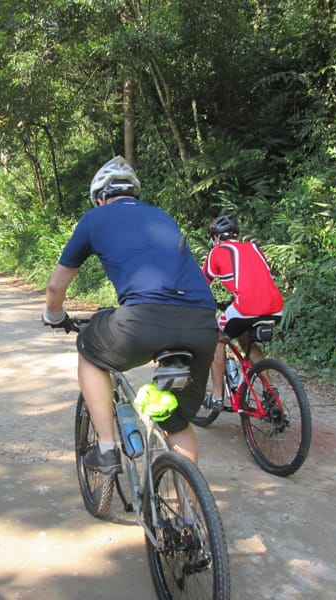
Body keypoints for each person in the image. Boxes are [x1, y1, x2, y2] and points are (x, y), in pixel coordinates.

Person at [42, 156, 218, 475]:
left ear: (100, 198)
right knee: (176, 421)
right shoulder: (162, 216)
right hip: (203, 323)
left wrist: (54, 316)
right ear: (133, 193)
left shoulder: (95, 219)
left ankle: (106, 449)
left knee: (89, 350)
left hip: (142, 321)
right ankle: (188, 506)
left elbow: (56, 287)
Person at [202, 215, 284, 410]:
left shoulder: (217, 252)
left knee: (217, 340)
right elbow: (256, 281)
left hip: (246, 305)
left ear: (216, 237)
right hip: (276, 306)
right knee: (246, 341)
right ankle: (270, 392)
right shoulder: (255, 248)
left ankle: (217, 397)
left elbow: (200, 284)